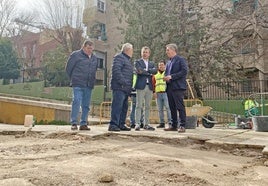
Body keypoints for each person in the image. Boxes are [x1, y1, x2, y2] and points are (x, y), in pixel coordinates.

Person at [65, 40, 98, 131]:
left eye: (91, 49)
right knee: (76, 100)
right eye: (88, 48)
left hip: (89, 84)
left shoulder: (94, 58)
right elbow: (68, 68)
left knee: (86, 105)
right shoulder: (75, 55)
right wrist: (74, 78)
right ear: (83, 47)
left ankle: (83, 123)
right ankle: (74, 122)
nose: (90, 50)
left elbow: (94, 70)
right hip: (78, 83)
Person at [108, 43, 134, 132]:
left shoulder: (127, 60)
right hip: (119, 87)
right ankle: (113, 124)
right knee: (117, 106)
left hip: (125, 88)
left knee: (124, 107)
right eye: (132, 50)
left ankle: (121, 124)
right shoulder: (119, 57)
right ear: (127, 50)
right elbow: (116, 71)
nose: (132, 52)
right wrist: (123, 82)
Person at [163, 43, 188, 133]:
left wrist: (172, 77)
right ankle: (174, 125)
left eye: (167, 50)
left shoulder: (180, 60)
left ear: (173, 50)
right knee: (171, 107)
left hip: (178, 87)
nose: (166, 52)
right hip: (169, 87)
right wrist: (166, 77)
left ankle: (182, 125)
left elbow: (184, 71)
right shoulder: (169, 62)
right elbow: (167, 73)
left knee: (179, 106)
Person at [134, 46, 157, 131]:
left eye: (146, 52)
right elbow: (139, 71)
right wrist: (149, 72)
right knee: (139, 105)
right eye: (143, 52)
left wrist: (146, 71)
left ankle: (146, 124)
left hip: (150, 87)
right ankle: (137, 124)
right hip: (141, 86)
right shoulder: (138, 62)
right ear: (141, 53)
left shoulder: (152, 63)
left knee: (147, 106)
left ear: (149, 54)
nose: (145, 54)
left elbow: (155, 71)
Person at [152, 60, 172, 128]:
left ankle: (170, 122)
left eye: (162, 65)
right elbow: (153, 84)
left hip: (166, 93)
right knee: (160, 109)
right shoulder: (155, 74)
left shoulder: (167, 73)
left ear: (165, 65)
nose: (161, 66)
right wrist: (154, 92)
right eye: (160, 65)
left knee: (168, 108)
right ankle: (162, 123)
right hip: (158, 94)